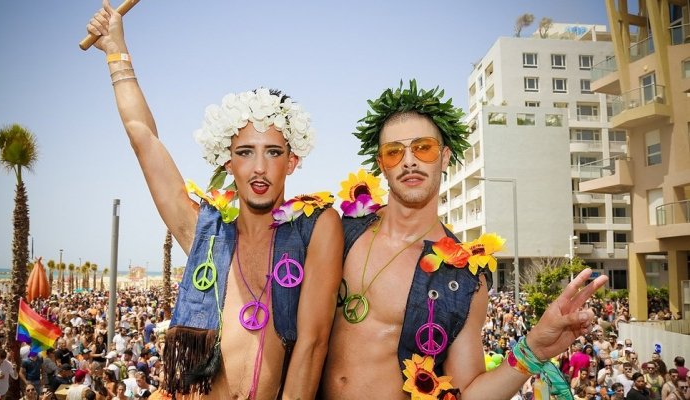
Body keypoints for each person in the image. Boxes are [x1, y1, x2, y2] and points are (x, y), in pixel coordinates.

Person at [84, 1, 343, 398]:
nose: (259, 168)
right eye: (245, 152)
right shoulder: (204, 231)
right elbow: (144, 139)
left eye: (273, 152)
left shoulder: (317, 227)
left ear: (292, 161)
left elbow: (312, 344)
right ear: (228, 161)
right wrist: (116, 51)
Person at [320, 80, 607, 399]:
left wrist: (535, 348)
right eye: (394, 151)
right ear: (381, 166)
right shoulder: (339, 231)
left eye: (423, 148)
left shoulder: (464, 278)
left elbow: (466, 393)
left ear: (444, 158)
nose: (409, 161)